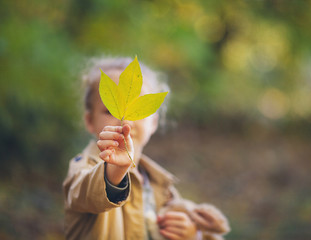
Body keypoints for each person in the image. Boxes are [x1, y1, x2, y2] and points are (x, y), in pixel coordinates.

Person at [63, 57, 230, 240]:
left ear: (154, 123)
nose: (125, 121)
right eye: (110, 111)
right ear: (89, 121)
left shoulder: (162, 188)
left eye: (138, 109)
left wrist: (194, 235)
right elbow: (84, 194)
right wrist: (114, 172)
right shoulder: (83, 168)